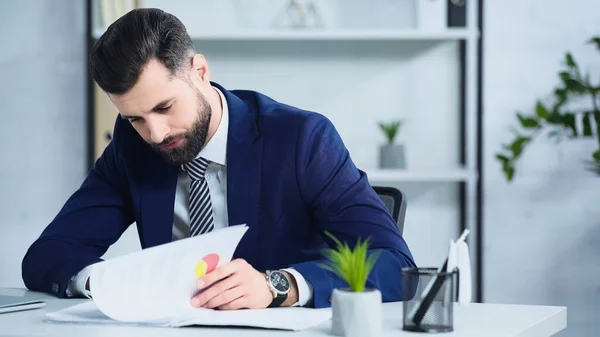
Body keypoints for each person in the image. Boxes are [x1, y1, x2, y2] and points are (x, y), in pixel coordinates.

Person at [21, 8, 416, 310]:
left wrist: (280, 285)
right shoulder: (133, 144)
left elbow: (397, 265)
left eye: (165, 107)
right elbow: (48, 254)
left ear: (200, 71)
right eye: (135, 118)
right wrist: (104, 279)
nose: (155, 134)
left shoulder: (302, 139)